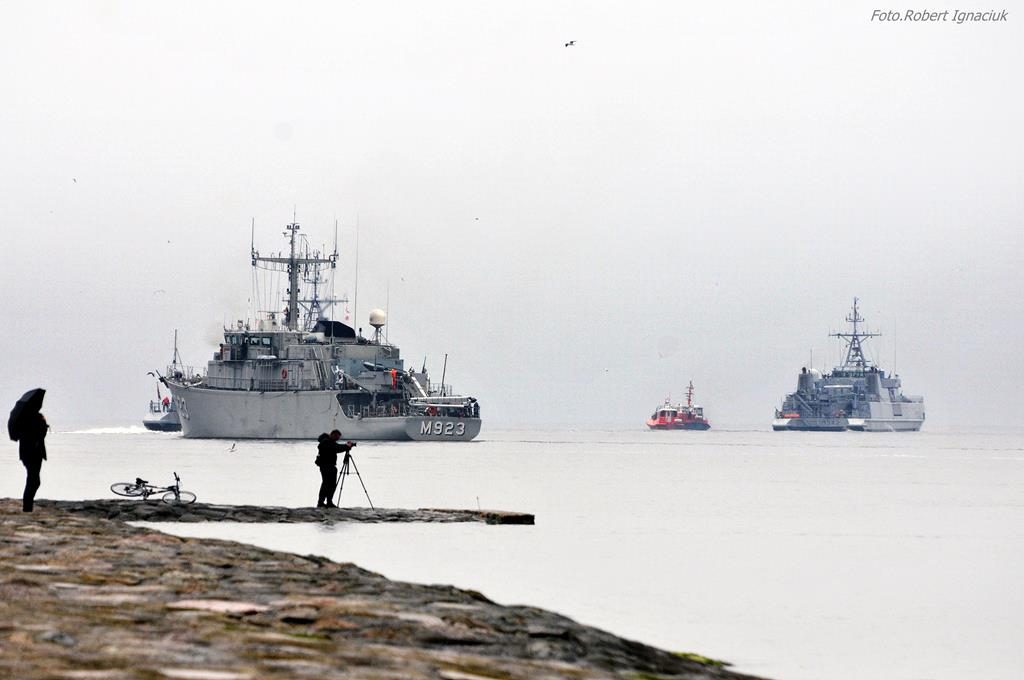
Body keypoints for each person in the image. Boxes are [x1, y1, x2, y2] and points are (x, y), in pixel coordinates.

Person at [315, 429, 354, 508]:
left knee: (331, 485)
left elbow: (337, 447)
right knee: (326, 484)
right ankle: (321, 502)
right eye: (337, 437)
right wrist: (346, 446)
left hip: (330, 466)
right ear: (333, 435)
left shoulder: (329, 441)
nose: (337, 439)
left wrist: (346, 446)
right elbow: (336, 448)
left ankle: (329, 501)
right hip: (326, 466)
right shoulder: (326, 442)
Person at [20, 411, 48, 512]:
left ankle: (28, 506)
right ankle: (27, 506)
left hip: (29, 454)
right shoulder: (32, 419)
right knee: (34, 481)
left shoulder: (24, 419)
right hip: (33, 454)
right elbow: (39, 435)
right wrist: (43, 424)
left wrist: (43, 424)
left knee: (33, 480)